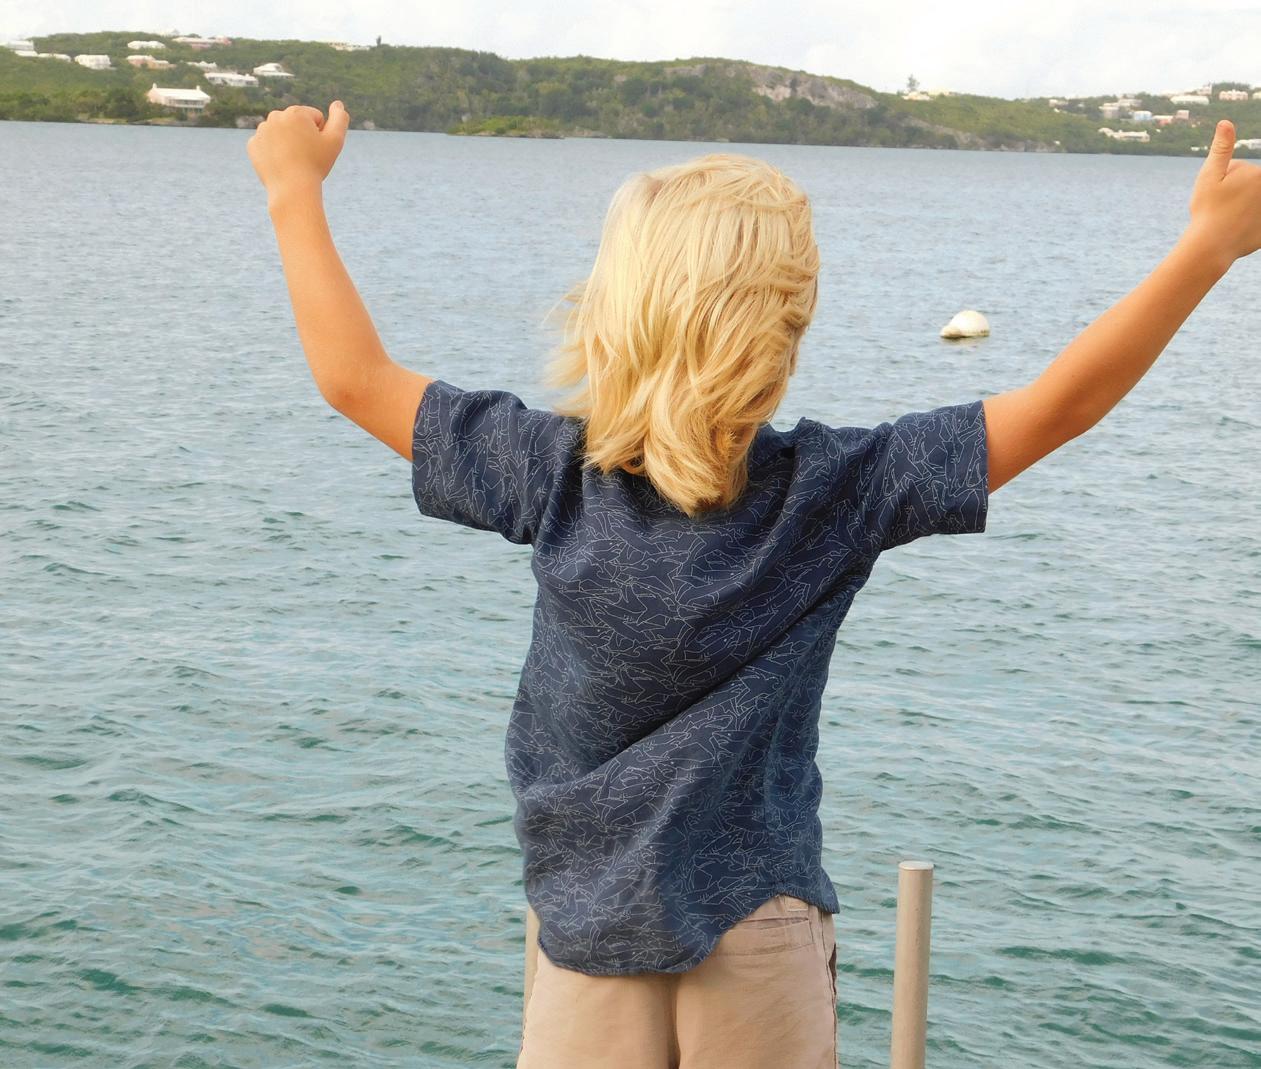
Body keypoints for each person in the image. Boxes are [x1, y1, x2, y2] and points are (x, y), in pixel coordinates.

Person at [247, 104, 1261, 1068]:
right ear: (781, 331)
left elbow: (353, 376)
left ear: (615, 308)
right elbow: (1058, 406)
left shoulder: (548, 475)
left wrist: (294, 187)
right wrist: (1205, 249)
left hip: (586, 930)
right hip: (759, 929)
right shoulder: (834, 492)